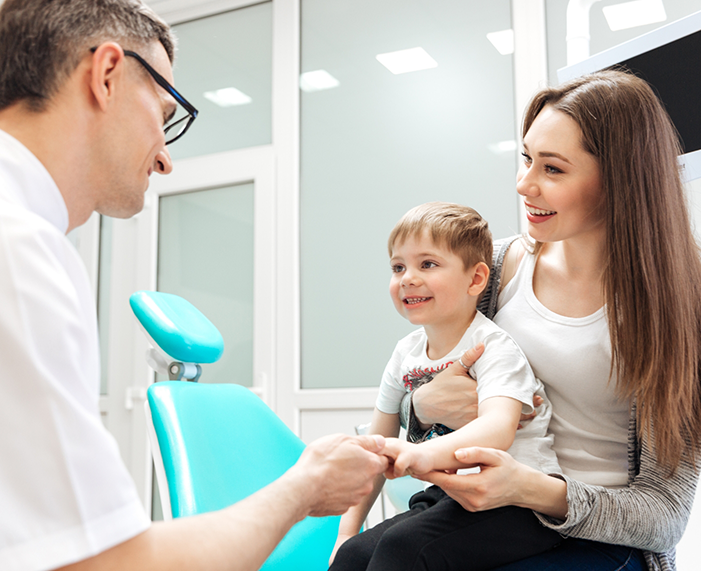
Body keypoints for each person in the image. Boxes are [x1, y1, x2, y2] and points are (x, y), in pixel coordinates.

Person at [0, 1, 388, 570]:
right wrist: (305, 489)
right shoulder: (20, 251)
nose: (165, 159)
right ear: (106, 75)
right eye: (165, 112)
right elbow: (107, 565)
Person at [400, 70, 701, 571]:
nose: (524, 184)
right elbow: (420, 390)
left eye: (553, 169)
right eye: (526, 159)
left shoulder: (682, 303)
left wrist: (533, 489)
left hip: (600, 540)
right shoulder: (493, 270)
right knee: (358, 554)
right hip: (490, 512)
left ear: (620, 179)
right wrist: (422, 407)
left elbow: (664, 516)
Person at [330, 202, 562, 571]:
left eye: (428, 264)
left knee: (404, 549)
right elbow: (376, 446)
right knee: (353, 555)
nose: (407, 277)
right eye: (398, 267)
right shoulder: (404, 354)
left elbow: (497, 430)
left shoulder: (494, 347)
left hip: (518, 502)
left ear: (475, 280)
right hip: (450, 495)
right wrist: (347, 530)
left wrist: (422, 455)